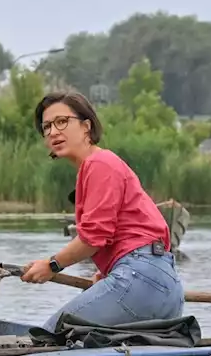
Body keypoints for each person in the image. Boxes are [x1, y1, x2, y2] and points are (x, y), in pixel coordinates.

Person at [19, 90, 186, 332]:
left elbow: (93, 238)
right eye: (46, 127)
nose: (54, 131)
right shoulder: (99, 166)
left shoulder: (99, 164)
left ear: (86, 126)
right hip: (165, 289)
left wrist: (52, 265)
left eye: (62, 122)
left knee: (52, 334)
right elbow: (141, 232)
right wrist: (108, 270)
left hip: (140, 281)